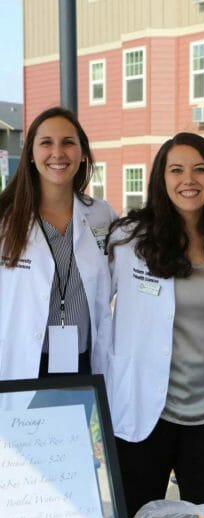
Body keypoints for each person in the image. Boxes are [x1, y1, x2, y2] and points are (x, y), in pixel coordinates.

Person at [106, 132, 204, 517]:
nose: (188, 180)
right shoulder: (129, 239)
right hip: (145, 410)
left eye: (199, 170)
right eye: (176, 170)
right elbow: (95, 308)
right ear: (162, 178)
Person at [0, 106, 114, 381]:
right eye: (46, 143)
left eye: (68, 143)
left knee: (79, 426)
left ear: (83, 152)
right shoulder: (5, 220)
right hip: (21, 363)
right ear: (30, 154)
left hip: (83, 363)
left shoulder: (101, 215)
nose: (58, 153)